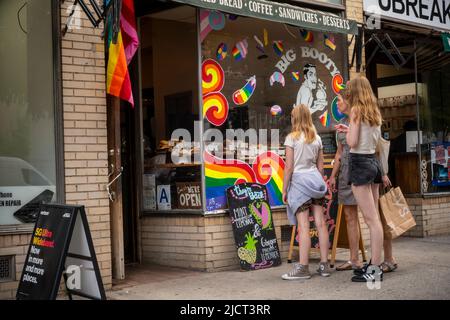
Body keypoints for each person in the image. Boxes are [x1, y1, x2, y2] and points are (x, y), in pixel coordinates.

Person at [331, 93, 397, 274]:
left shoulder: (361, 115)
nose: (337, 103)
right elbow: (340, 152)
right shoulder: (348, 122)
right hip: (349, 172)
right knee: (352, 217)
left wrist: (383, 173)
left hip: (363, 169)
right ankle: (355, 260)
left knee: (375, 217)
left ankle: (386, 259)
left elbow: (374, 147)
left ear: (349, 100)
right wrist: (333, 176)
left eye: (339, 99)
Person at [335, 76, 386, 282]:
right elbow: (367, 138)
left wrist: (348, 134)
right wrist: (350, 130)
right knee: (374, 219)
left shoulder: (356, 110)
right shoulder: (373, 111)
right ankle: (375, 263)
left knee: (371, 220)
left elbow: (353, 142)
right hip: (373, 163)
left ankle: (374, 269)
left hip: (359, 164)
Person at [281, 104, 330, 280]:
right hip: (315, 182)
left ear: (296, 118)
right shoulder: (316, 138)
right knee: (321, 223)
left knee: (303, 227)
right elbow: (321, 166)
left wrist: (284, 189)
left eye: (292, 116)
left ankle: (303, 268)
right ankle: (324, 265)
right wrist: (318, 180)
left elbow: (289, 167)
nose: (291, 118)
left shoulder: (291, 138)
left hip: (299, 184)